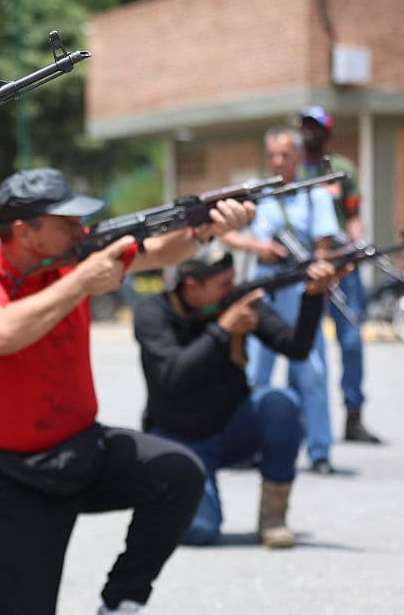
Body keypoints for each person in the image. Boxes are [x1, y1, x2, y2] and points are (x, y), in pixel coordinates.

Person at [0, 167, 255, 615]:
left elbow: (158, 251)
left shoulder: (75, 252)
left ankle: (121, 603)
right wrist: (83, 281)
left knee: (179, 474)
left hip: (82, 451)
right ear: (26, 232)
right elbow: (1, 334)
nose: (81, 231)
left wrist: (206, 230)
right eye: (67, 223)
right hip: (8, 474)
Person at [133, 243, 342, 548]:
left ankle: (273, 519)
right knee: (200, 531)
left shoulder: (237, 302)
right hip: (179, 438)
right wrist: (223, 329)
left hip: (232, 428)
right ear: (192, 286)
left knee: (280, 403)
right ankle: (163, 496)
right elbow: (173, 375)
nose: (232, 289)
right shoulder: (153, 312)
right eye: (223, 284)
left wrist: (312, 297)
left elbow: (295, 348)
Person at [221, 125, 340, 475]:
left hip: (300, 290)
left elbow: (323, 246)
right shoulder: (256, 194)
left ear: (299, 156)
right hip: (265, 286)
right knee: (257, 371)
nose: (278, 162)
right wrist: (257, 246)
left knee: (312, 372)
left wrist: (318, 278)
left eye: (285, 155)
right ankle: (251, 446)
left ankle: (319, 450)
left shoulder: (313, 195)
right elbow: (223, 232)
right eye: (272, 155)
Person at [298, 105, 382, 444]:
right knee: (304, 341)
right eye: (305, 126)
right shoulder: (294, 169)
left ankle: (353, 414)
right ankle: (303, 418)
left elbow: (353, 215)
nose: (309, 132)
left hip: (342, 266)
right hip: (306, 267)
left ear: (327, 132)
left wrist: (356, 244)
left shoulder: (342, 168)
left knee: (350, 339)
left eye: (315, 127)